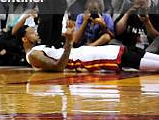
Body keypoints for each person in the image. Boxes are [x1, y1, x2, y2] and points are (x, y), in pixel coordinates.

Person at [20, 25, 159, 72]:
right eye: (32, 32)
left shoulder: (39, 48)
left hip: (86, 51)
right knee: (130, 58)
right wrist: (69, 42)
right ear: (24, 39)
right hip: (87, 59)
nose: (36, 33)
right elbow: (58, 67)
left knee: (133, 51)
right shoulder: (32, 55)